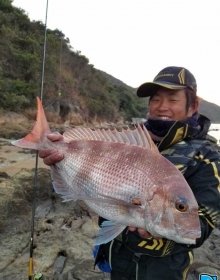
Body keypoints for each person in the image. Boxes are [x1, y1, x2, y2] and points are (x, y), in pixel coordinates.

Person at [39, 66, 220, 280]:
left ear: (193, 106)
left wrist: (155, 228)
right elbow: (96, 193)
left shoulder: (207, 158)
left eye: (172, 99)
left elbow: (201, 227)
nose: (162, 107)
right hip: (117, 265)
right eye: (155, 99)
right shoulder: (131, 140)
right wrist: (61, 161)